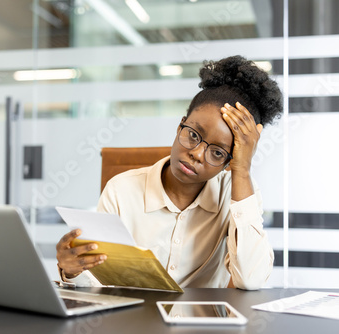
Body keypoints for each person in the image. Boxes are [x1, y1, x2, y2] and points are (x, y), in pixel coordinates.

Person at [56, 55, 283, 290]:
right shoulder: (121, 190)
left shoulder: (237, 193)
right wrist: (72, 271)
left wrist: (242, 171)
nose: (196, 154)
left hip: (202, 323)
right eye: (193, 135)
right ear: (180, 125)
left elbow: (251, 279)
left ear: (229, 162)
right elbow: (96, 281)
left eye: (217, 152)